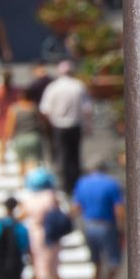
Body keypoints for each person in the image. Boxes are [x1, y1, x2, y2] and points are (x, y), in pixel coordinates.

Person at [39, 61, 93, 189]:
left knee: (62, 155)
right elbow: (87, 109)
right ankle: (74, 183)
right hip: (75, 125)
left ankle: (64, 184)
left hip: (58, 125)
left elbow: (45, 110)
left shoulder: (53, 87)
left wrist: (50, 124)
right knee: (74, 155)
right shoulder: (78, 86)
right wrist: (88, 125)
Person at [73, 158, 125, 276]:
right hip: (106, 225)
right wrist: (121, 227)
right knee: (114, 260)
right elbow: (119, 209)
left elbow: (76, 207)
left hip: (89, 225)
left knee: (96, 260)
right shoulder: (111, 183)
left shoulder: (82, 183)